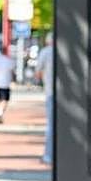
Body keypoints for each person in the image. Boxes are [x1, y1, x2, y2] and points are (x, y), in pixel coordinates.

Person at [38, 33, 54, 165]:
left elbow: (38, 71)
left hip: (50, 92)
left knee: (51, 125)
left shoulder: (45, 52)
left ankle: (48, 155)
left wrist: (43, 79)